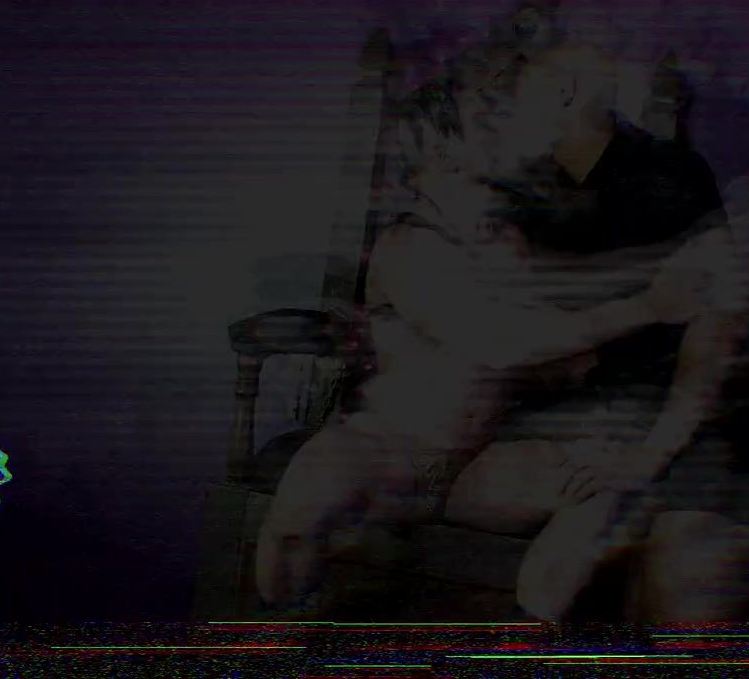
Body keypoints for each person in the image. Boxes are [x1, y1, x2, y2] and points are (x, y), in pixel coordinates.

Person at [252, 56, 708, 609]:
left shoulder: (510, 243)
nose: (495, 185)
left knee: (592, 480)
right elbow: (499, 342)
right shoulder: (412, 246)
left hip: (474, 464)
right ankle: (275, 617)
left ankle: (546, 612)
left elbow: (560, 345)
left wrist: (574, 364)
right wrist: (645, 307)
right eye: (471, 170)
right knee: (311, 495)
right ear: (429, 173)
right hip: (387, 448)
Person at [438, 43, 749, 622]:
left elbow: (714, 337)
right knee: (478, 499)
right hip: (598, 411)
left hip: (688, 419)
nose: (495, 128)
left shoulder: (666, 180)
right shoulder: (530, 193)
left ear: (561, 96)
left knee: (573, 577)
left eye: (504, 110)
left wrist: (648, 457)